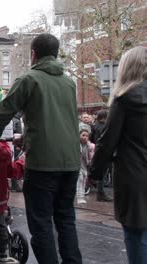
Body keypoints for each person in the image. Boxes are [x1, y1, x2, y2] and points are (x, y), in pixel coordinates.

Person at [0, 33, 82, 263]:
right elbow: (58, 119)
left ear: (33, 54)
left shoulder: (29, 79)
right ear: (56, 53)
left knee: (41, 224)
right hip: (71, 162)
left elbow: (4, 113)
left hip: (43, 163)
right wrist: (27, 136)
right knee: (66, 220)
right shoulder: (69, 82)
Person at [89, 46, 147, 264]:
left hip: (134, 175)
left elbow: (106, 142)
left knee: (136, 234)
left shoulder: (124, 100)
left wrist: (95, 171)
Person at [89, 109, 113, 202]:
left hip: (97, 150)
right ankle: (100, 192)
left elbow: (92, 139)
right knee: (102, 174)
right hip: (104, 151)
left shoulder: (95, 126)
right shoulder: (104, 126)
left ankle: (100, 192)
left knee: (101, 173)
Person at [76, 127, 94, 204]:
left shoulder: (88, 146)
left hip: (84, 166)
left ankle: (82, 196)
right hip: (77, 166)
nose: (85, 137)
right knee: (80, 180)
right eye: (83, 135)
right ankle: (79, 198)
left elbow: (90, 156)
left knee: (83, 180)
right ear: (79, 135)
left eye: (87, 136)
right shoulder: (76, 144)